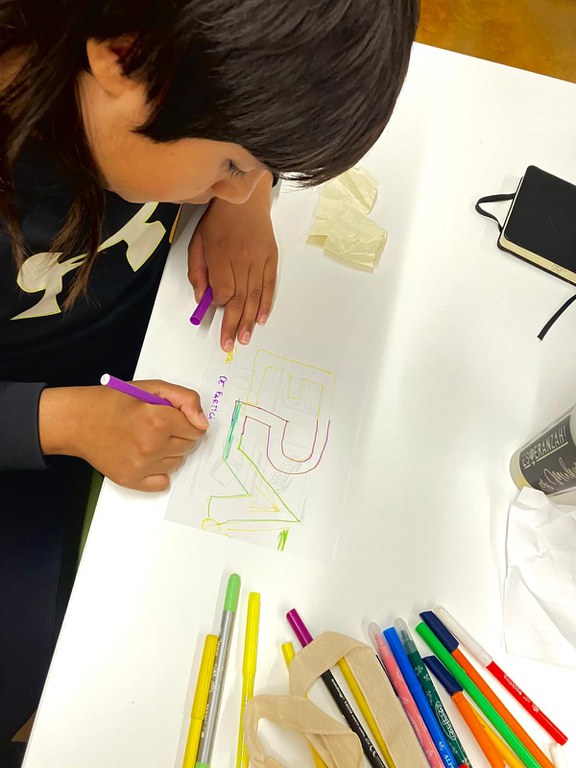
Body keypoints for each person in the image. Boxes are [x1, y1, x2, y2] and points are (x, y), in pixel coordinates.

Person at [0, 0, 419, 763]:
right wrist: (59, 422)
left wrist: (247, 200)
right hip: (30, 407)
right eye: (233, 164)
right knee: (32, 681)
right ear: (122, 56)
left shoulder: (172, 75)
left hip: (123, 341)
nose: (243, 183)